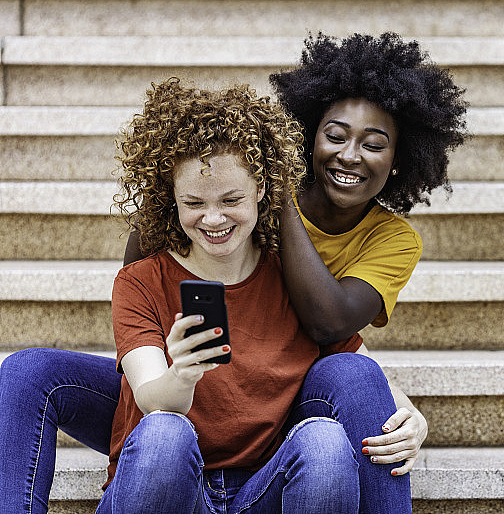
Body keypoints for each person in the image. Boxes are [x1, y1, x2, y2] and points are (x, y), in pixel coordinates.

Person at [0, 32, 468, 513]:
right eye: (335, 136)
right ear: (307, 139)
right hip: (178, 403)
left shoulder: (306, 260)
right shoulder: (199, 222)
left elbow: (337, 337)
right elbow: (143, 303)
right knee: (68, 389)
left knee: (336, 414)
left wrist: (403, 409)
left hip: (273, 417)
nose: (215, 218)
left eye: (232, 200)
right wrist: (173, 367)